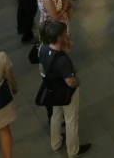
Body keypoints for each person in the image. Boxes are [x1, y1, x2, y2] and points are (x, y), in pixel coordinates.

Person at [39, 22, 92, 157]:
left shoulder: (43, 49)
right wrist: (77, 82)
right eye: (64, 34)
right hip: (65, 93)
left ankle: (55, 143)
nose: (66, 35)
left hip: (52, 89)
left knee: (56, 115)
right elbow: (70, 81)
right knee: (71, 120)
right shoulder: (62, 60)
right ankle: (73, 150)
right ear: (58, 38)